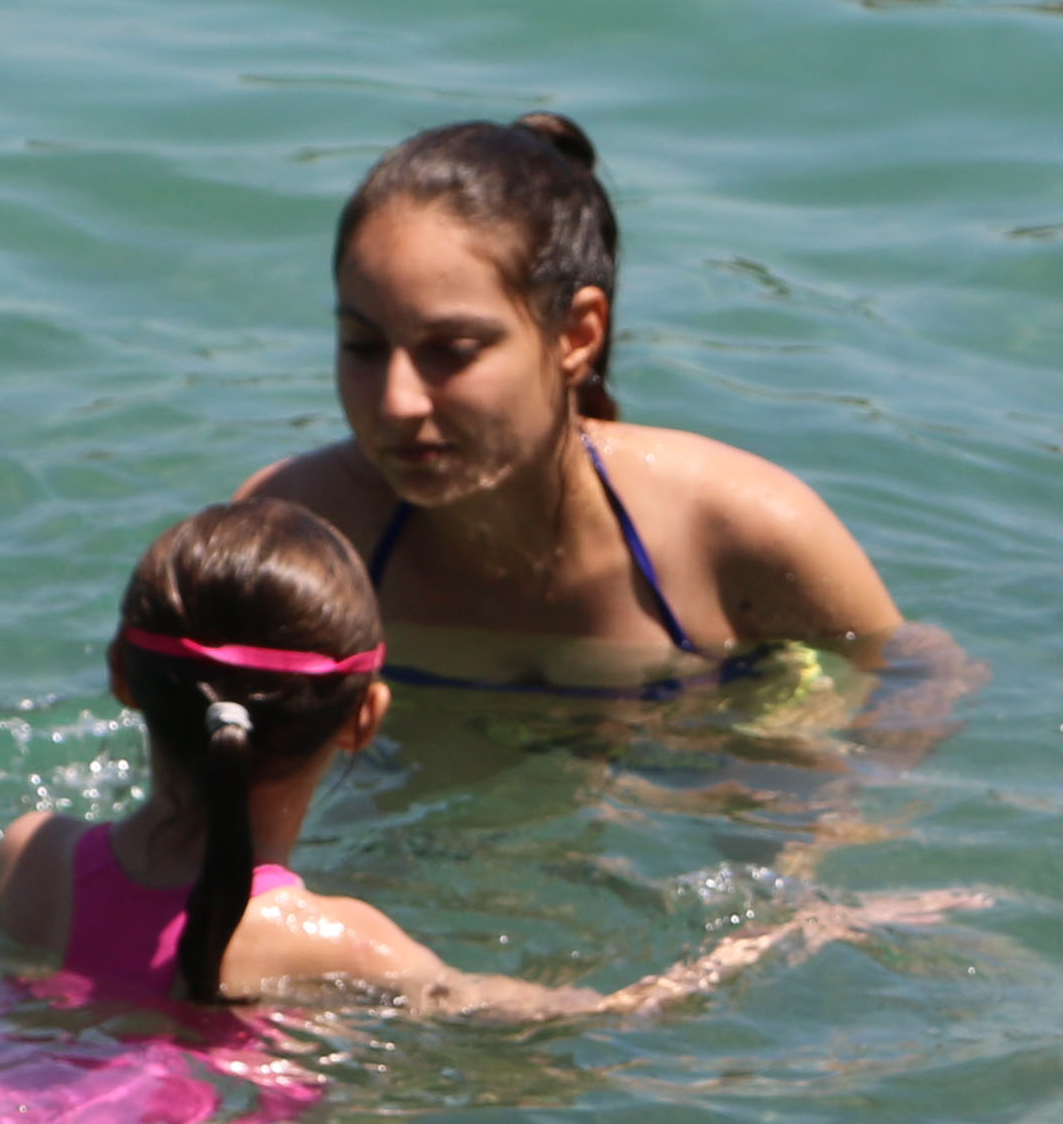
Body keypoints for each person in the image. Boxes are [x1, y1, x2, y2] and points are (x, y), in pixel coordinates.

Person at [0, 503, 972, 1124]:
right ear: (366, 719)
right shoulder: (339, 943)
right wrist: (797, 932)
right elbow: (598, 1020)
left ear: (124, 681)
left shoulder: (30, 857)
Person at [237, 114, 904, 694]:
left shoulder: (742, 531)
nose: (397, 402)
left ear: (577, 337)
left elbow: (913, 687)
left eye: (453, 350)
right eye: (363, 346)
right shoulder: (298, 536)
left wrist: (793, 779)